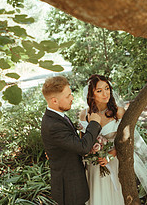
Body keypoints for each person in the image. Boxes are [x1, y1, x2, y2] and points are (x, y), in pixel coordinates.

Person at [79, 74, 147, 205]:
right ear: (91, 94)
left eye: (107, 88)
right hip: (93, 165)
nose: (105, 93)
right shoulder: (84, 114)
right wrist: (91, 154)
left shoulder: (118, 112)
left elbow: (127, 140)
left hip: (114, 162)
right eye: (99, 91)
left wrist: (110, 155)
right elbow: (82, 142)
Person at [41, 76, 102, 205]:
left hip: (71, 183)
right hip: (69, 188)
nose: (72, 98)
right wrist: (94, 123)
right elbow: (83, 148)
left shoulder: (56, 116)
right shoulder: (54, 125)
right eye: (68, 96)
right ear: (54, 101)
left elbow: (66, 143)